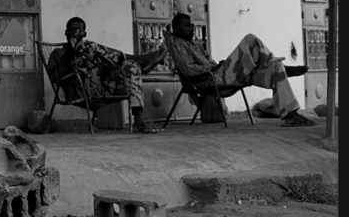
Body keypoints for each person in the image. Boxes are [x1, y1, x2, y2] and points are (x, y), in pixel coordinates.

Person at [169, 13, 314, 127]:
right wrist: (215, 67)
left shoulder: (194, 44)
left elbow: (207, 62)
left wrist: (219, 64)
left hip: (218, 73)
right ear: (176, 28)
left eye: (192, 25)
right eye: (188, 25)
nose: (192, 28)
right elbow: (189, 70)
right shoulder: (177, 45)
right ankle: (269, 61)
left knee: (276, 68)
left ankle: (291, 115)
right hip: (211, 79)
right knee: (250, 40)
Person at [46, 16, 166, 134]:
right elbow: (56, 78)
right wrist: (71, 55)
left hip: (101, 88)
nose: (75, 34)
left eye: (79, 31)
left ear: (84, 34)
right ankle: (142, 60)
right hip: (79, 90)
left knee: (131, 67)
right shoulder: (58, 54)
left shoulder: (88, 49)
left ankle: (139, 119)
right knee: (90, 47)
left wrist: (90, 58)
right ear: (66, 32)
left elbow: (104, 69)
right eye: (72, 29)